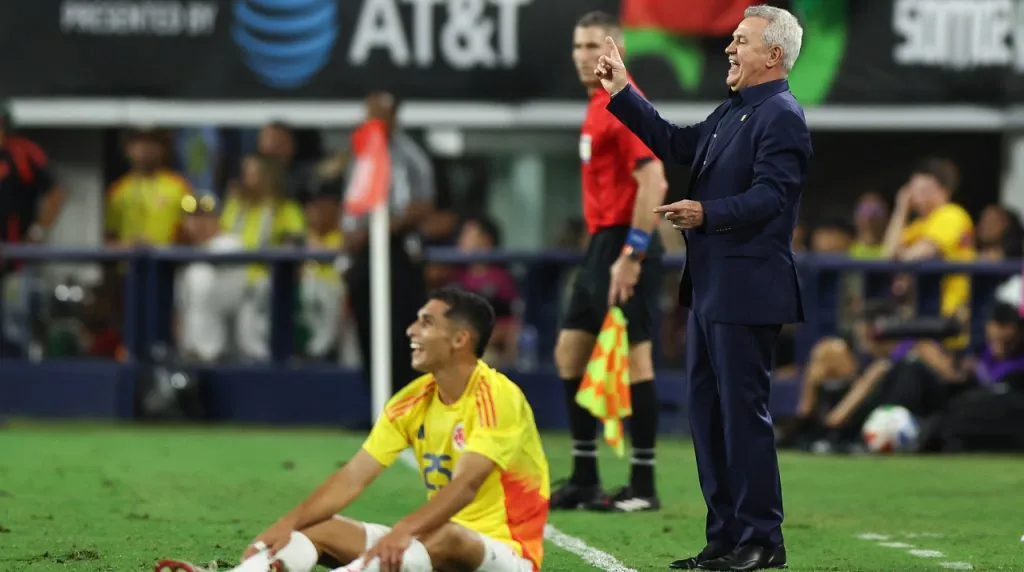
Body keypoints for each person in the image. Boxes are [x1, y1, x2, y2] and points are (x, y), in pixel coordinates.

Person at [595, 5, 809, 570]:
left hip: (748, 287)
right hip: (713, 288)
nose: (729, 49)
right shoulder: (736, 111)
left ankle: (762, 540)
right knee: (707, 416)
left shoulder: (781, 115)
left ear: (774, 55)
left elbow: (773, 198)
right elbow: (677, 145)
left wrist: (706, 212)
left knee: (743, 416)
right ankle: (725, 537)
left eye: (741, 40)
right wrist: (623, 92)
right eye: (732, 38)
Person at [155, 287, 550, 572]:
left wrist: (404, 531)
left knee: (448, 536)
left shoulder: (497, 396)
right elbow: (352, 477)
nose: (411, 330)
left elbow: (465, 486)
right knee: (320, 528)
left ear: (461, 339)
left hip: (505, 553)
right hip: (429, 546)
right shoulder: (410, 401)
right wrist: (288, 524)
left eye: (426, 322)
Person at [551, 10, 670, 514]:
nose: (583, 56)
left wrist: (633, 254)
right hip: (601, 245)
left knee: (637, 358)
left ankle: (643, 485)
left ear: (615, 50)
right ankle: (583, 476)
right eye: (577, 47)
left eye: (592, 47)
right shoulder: (598, 104)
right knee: (570, 354)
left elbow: (655, 181)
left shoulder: (625, 105)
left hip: (626, 243)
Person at [344, 92, 435, 396]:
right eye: (370, 112)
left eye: (381, 113)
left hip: (398, 252)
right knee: (367, 331)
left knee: (402, 331)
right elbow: (351, 203)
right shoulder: (361, 153)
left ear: (395, 116)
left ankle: (408, 402)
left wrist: (379, 230)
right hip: (363, 254)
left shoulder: (410, 156)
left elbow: (423, 205)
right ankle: (377, 401)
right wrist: (352, 236)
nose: (375, 119)